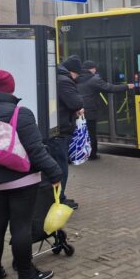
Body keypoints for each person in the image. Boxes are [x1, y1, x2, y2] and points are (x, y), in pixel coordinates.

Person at [0, 70, 62, 279]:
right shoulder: (21, 113)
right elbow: (36, 150)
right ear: (10, 88)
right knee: (20, 227)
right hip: (22, 181)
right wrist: (55, 173)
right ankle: (26, 275)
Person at [76, 60, 133, 160]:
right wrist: (127, 86)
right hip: (90, 111)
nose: (95, 70)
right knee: (91, 133)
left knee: (82, 133)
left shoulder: (77, 79)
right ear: (91, 69)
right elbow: (110, 88)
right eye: (94, 68)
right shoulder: (93, 79)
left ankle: (80, 153)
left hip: (79, 110)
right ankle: (92, 155)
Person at [47, 56, 83, 209]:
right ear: (73, 72)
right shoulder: (64, 80)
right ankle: (58, 200)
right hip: (60, 130)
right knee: (61, 167)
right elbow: (75, 102)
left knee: (58, 165)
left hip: (56, 127)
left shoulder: (55, 76)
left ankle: (57, 198)